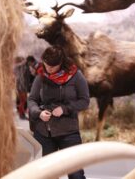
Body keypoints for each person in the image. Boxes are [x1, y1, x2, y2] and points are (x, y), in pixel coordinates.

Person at [28, 46, 90, 179]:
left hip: (69, 133)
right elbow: (32, 100)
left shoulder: (75, 76)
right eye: (46, 64)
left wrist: (65, 109)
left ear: (61, 63)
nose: (48, 69)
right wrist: (38, 113)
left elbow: (84, 101)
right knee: (46, 175)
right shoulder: (41, 76)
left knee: (76, 174)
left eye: (52, 66)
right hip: (44, 133)